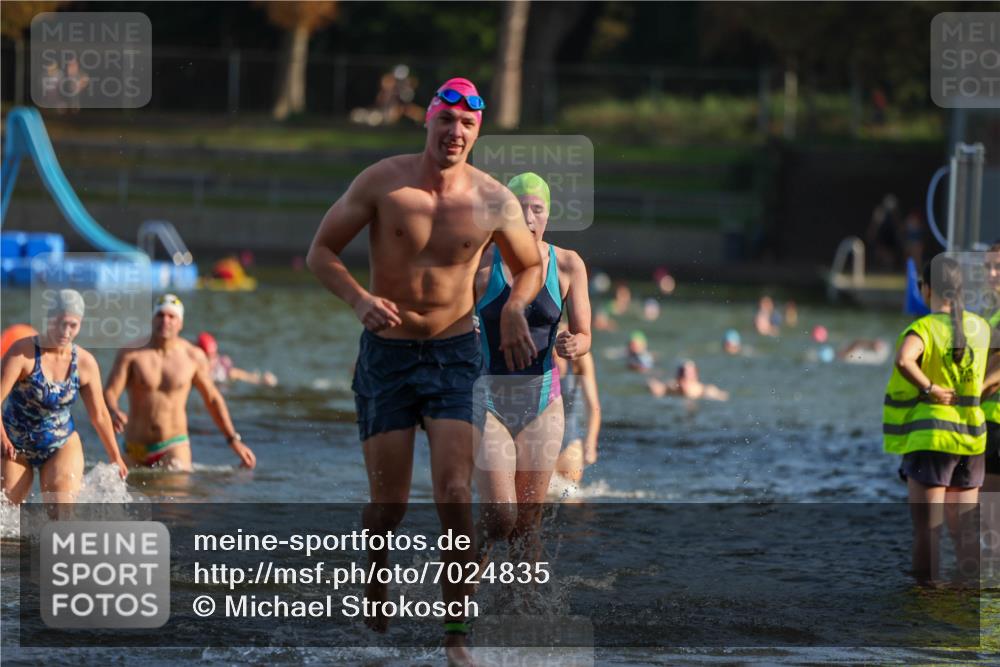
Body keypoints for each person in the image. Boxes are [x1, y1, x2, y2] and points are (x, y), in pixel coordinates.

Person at [306, 77, 542, 665]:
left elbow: (531, 266)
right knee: (388, 507)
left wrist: (514, 305)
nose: (454, 134)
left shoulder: (493, 200)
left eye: (466, 126)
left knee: (455, 495)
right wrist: (359, 300)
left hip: (456, 356)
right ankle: (376, 568)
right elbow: (321, 252)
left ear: (477, 132)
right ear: (429, 122)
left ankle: (457, 635)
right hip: (387, 355)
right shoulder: (383, 181)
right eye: (446, 121)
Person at [474, 172, 592, 555]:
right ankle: (460, 585)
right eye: (518, 209)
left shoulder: (569, 265)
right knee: (499, 517)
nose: (527, 218)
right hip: (488, 401)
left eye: (536, 209)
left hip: (543, 401)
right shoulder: (480, 264)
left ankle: (525, 611)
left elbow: (585, 334)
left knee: (527, 524)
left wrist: (576, 343)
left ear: (547, 216)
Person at [883, 256, 989, 585]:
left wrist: (929, 387)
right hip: (971, 439)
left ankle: (925, 601)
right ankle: (968, 597)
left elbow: (904, 359)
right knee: (966, 531)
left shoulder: (924, 328)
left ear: (926, 289)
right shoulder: (981, 328)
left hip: (931, 440)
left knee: (927, 532)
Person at [104, 294, 256, 472]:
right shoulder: (131, 354)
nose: (165, 320)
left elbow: (213, 399)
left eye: (171, 316)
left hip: (173, 445)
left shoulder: (193, 356)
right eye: (160, 315)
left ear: (180, 323)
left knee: (176, 494)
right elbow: (110, 392)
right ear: (152, 319)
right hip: (134, 446)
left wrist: (233, 440)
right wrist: (114, 411)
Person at [1, 290, 127, 505]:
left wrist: (115, 457)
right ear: (49, 319)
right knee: (6, 512)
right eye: (60, 323)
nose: (65, 331)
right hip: (14, 442)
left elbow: (100, 415)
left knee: (61, 513)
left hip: (60, 443)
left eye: (72, 325)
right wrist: (2, 437)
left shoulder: (85, 363)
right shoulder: (23, 353)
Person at [550, 324, 601, 499]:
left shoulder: (580, 358)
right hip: (538, 441)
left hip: (569, 440)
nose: (562, 341)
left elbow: (593, 406)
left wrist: (590, 443)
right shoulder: (538, 355)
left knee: (571, 503)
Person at [980, 242, 1000, 494]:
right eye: (988, 267)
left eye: (998, 267)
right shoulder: (989, 312)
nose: (991, 273)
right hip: (986, 418)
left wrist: (969, 397)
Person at [196, 332, 278, 387]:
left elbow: (238, 374)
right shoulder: (194, 368)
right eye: (209, 357)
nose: (212, 360)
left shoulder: (221, 368)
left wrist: (260, 381)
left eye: (214, 355)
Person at [647, 359, 729, 401]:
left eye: (689, 374)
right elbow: (655, 387)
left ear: (696, 377)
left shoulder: (704, 391)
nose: (685, 376)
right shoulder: (671, 387)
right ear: (677, 377)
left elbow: (724, 397)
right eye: (682, 373)